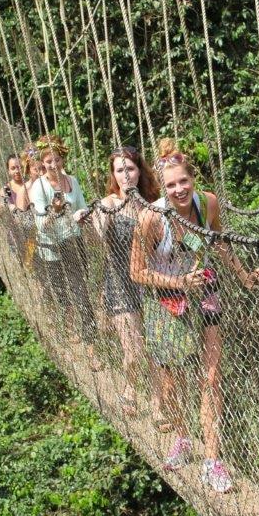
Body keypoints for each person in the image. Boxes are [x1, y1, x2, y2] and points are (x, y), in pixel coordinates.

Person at [131, 138, 259, 494]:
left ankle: (212, 461)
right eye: (171, 184)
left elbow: (219, 242)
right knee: (172, 381)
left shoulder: (208, 204)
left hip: (204, 293)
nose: (179, 189)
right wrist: (177, 281)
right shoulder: (150, 219)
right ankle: (181, 437)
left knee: (211, 377)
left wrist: (243, 275)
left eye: (183, 181)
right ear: (163, 187)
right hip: (166, 300)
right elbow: (137, 272)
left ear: (193, 179)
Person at [93, 146, 160, 417]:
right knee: (133, 351)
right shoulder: (109, 203)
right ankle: (130, 388)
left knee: (157, 352)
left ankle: (158, 406)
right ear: (113, 175)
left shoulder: (150, 205)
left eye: (130, 169)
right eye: (119, 170)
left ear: (139, 171)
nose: (126, 176)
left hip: (150, 284)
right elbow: (99, 233)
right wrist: (98, 216)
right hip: (120, 285)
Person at [27, 134, 97, 351]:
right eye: (48, 161)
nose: (53, 165)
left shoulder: (72, 181)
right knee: (62, 293)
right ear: (42, 163)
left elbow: (81, 207)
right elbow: (41, 226)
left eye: (56, 160)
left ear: (62, 159)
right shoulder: (39, 187)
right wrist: (55, 212)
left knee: (81, 291)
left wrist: (84, 215)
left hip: (73, 243)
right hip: (51, 247)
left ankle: (90, 341)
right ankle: (71, 327)